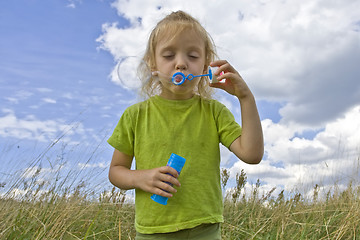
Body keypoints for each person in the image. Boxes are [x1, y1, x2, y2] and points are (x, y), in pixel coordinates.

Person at [107, 10, 263, 239]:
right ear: (153, 64)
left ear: (205, 66)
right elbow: (115, 172)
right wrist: (141, 177)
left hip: (205, 229)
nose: (181, 64)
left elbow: (252, 154)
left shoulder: (214, 112)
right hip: (153, 231)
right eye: (169, 56)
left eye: (192, 56)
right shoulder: (135, 116)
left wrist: (246, 98)